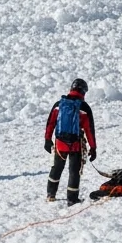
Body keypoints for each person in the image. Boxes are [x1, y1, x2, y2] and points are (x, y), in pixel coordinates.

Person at [45, 78, 96, 206]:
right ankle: (72, 199)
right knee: (74, 171)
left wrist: (47, 139)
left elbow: (50, 123)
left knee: (56, 168)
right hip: (76, 145)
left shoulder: (59, 104)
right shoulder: (84, 107)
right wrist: (93, 148)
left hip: (60, 144)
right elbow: (90, 130)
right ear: (83, 92)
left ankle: (51, 194)